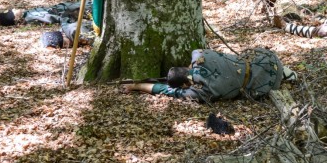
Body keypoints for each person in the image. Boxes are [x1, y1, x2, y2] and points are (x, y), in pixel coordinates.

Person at [124, 48, 298, 103]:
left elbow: (162, 89)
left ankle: (285, 76)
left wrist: (136, 86)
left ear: (185, 84)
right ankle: (286, 73)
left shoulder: (200, 92)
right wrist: (192, 67)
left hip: (263, 86)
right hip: (270, 61)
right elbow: (195, 51)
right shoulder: (200, 56)